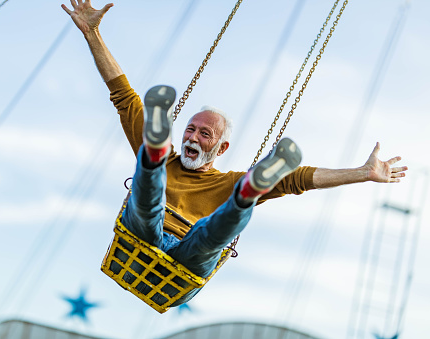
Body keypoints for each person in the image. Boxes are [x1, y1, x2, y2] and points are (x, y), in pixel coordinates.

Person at [62, 0, 408, 305]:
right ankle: (152, 154)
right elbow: (122, 94)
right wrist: (92, 35)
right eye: (190, 129)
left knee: (212, 235)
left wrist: (363, 173)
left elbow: (299, 179)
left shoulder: (225, 181)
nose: (193, 137)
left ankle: (248, 193)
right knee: (147, 202)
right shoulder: (173, 158)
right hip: (141, 239)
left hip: (186, 261)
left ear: (222, 147)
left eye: (204, 133)